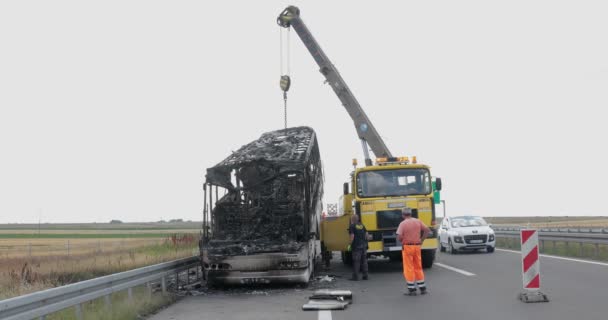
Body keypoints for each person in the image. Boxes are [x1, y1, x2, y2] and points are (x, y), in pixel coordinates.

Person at [396, 207, 430, 295]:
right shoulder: (418, 221)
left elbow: (399, 237)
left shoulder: (403, 224)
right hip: (417, 246)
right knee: (418, 267)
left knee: (409, 268)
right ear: (411, 214)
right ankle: (423, 288)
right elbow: (427, 230)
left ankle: (412, 290)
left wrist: (402, 240)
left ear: (403, 215)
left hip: (407, 247)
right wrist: (421, 240)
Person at [348, 214, 369, 281]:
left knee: (356, 261)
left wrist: (350, 244)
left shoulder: (352, 226)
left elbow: (352, 236)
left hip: (356, 246)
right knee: (364, 261)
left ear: (352, 219)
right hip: (364, 246)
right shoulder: (362, 225)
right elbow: (367, 235)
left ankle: (355, 277)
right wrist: (365, 242)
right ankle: (365, 276)